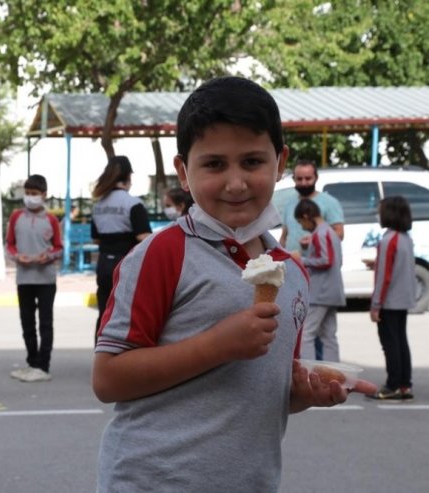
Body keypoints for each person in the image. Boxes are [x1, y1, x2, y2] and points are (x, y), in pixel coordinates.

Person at [92, 77, 376, 492]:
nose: (236, 182)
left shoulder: (291, 275)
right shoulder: (163, 254)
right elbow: (109, 379)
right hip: (152, 482)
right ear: (183, 172)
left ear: (280, 163)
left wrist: (306, 392)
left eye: (252, 162)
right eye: (214, 164)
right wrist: (217, 345)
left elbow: (268, 391)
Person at [5, 174, 63, 383]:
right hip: (24, 278)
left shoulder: (51, 220)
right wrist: (17, 256)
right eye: (27, 193)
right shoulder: (16, 217)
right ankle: (31, 362)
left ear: (44, 195)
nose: (30, 198)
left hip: (46, 279)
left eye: (34, 194)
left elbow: (58, 247)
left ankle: (43, 366)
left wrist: (45, 257)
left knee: (45, 323)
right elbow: (9, 244)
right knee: (27, 322)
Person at [90, 156, 151, 337]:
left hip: (103, 264)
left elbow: (95, 239)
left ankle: (99, 356)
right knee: (127, 313)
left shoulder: (98, 205)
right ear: (128, 177)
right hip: (126, 263)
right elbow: (143, 237)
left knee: (104, 312)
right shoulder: (133, 203)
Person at [367, 196, 416, 401]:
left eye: (381, 211)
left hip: (389, 300)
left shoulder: (389, 239)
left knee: (390, 343)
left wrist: (376, 304)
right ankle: (404, 384)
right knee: (400, 341)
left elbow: (384, 275)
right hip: (403, 298)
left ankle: (393, 384)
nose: (379, 215)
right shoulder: (405, 238)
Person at [290, 199, 345, 362]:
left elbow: (325, 260)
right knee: (329, 335)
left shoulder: (321, 233)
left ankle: (309, 370)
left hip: (321, 292)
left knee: (307, 333)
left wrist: (302, 260)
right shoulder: (329, 232)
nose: (302, 227)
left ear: (306, 216)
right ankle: (332, 371)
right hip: (332, 290)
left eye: (301, 221)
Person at [279, 159, 345, 251]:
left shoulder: (329, 202)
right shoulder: (289, 204)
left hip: (318, 263)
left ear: (316, 178)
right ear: (294, 179)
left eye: (308, 178)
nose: (303, 183)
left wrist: (314, 240)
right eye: (299, 179)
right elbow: (284, 237)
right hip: (292, 262)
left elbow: (339, 234)